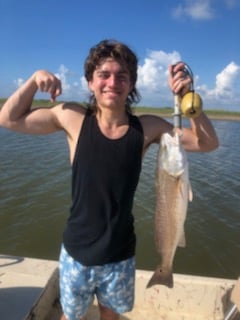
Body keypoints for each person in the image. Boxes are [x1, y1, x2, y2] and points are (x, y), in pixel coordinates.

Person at [0, 39, 218, 320]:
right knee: (70, 316)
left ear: (131, 84)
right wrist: (33, 81)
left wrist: (192, 103)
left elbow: (207, 143)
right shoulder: (72, 118)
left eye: (121, 76)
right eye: (104, 74)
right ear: (90, 82)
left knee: (110, 316)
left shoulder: (148, 128)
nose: (112, 82)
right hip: (75, 253)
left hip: (120, 255)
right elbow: (7, 118)